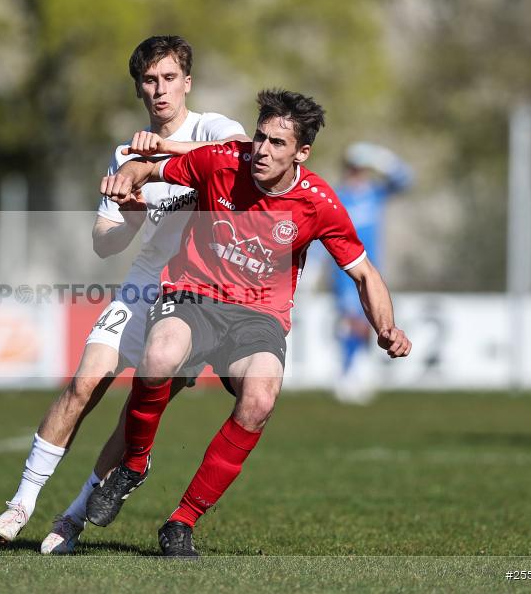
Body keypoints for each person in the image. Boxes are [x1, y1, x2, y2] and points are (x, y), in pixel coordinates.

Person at [87, 88, 412, 557]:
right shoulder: (222, 160)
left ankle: (181, 522)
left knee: (261, 397)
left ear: (302, 153)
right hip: (193, 295)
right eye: (260, 137)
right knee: (158, 357)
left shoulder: (318, 201)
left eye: (277, 144)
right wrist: (127, 175)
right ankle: (134, 465)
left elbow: (363, 271)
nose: (261, 150)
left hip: (258, 316)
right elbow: (150, 166)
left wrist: (387, 328)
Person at [0, 35, 247, 554]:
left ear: (187, 82)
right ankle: (20, 503)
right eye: (150, 81)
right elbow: (105, 243)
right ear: (138, 90)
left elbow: (235, 157)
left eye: (170, 78)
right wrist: (126, 210)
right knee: (84, 384)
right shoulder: (123, 152)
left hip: (198, 293)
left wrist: (157, 159)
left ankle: (72, 520)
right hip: (144, 283)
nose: (160, 90)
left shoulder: (211, 128)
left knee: (136, 413)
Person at [330, 142, 412, 404]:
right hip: (344, 270)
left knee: (368, 323)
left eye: (362, 169)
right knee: (352, 320)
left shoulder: (374, 194)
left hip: (371, 266)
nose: (358, 174)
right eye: (354, 168)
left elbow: (405, 180)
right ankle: (347, 373)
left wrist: (382, 159)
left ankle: (358, 369)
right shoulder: (338, 196)